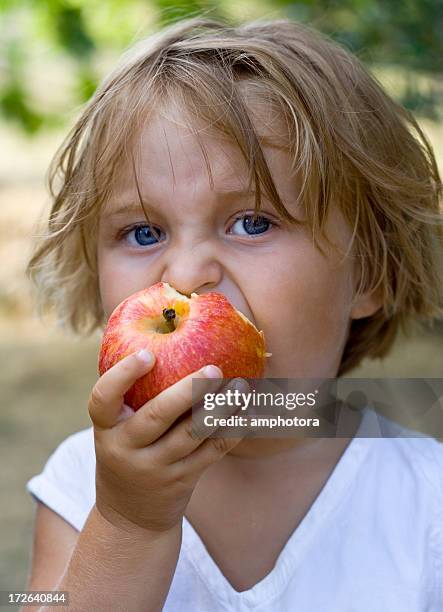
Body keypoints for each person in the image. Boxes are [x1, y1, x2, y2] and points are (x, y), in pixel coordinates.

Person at [24, 16, 443, 611]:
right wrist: (129, 525)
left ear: (368, 272)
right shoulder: (83, 484)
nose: (186, 275)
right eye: (144, 232)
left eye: (252, 223)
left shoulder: (427, 504)